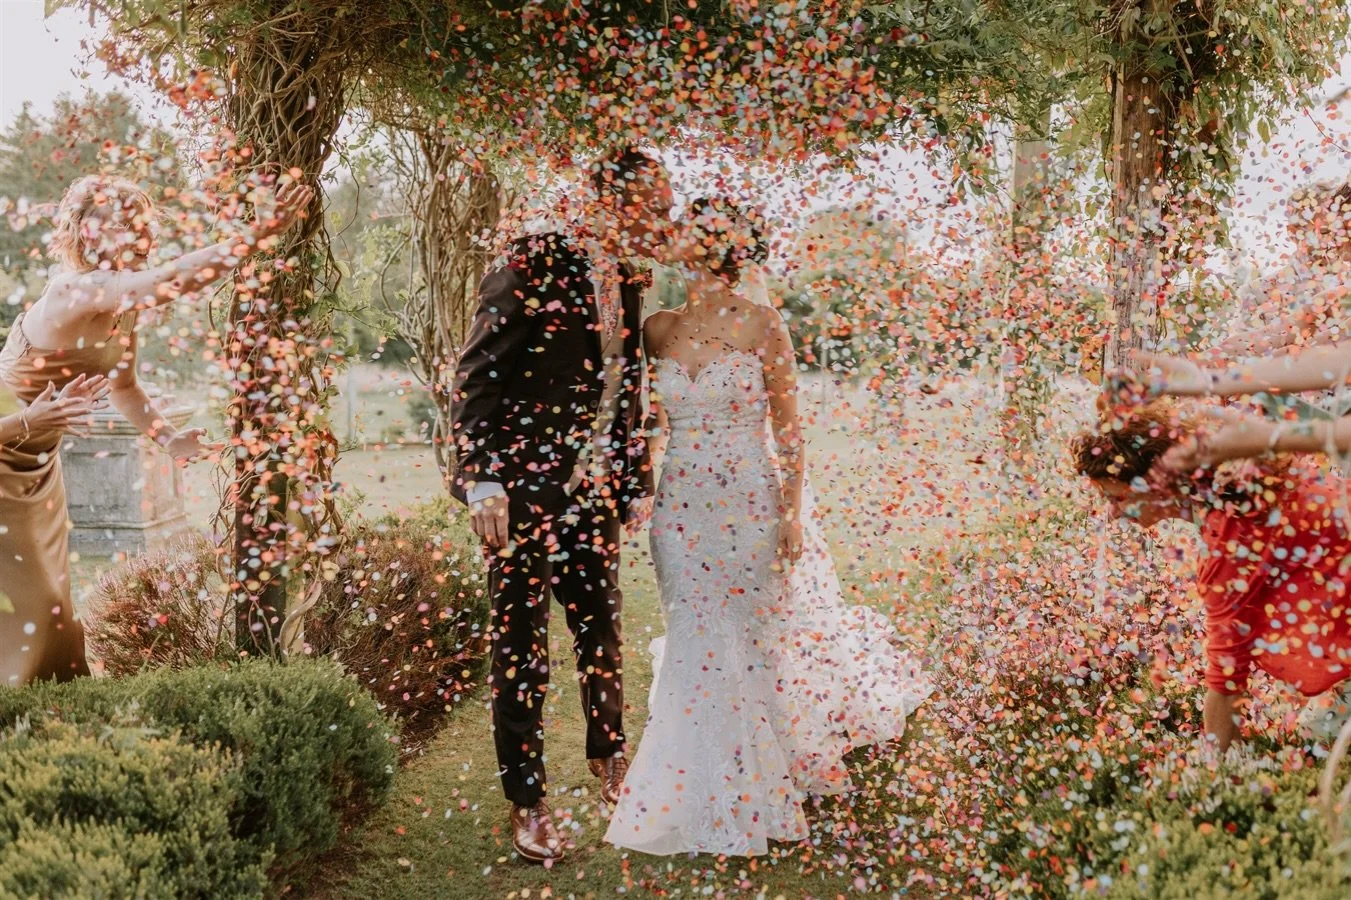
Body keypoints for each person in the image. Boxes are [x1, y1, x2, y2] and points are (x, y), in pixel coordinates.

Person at [605, 198, 931, 857]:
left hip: (746, 504)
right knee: (693, 635)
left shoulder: (762, 324)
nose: (686, 239)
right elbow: (639, 419)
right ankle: (688, 780)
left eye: (702, 230)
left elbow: (788, 432)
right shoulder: (656, 328)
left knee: (741, 637)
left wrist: (788, 513)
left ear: (728, 245)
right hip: (678, 509)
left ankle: (749, 781)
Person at [0, 173, 311, 686]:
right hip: (7, 446)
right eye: (117, 221)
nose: (132, 231)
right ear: (86, 232)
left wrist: (170, 438)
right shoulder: (76, 289)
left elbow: (124, 388)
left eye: (136, 221)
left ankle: (46, 720)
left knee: (52, 610)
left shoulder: (120, 309)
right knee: (28, 606)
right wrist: (255, 235)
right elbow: (169, 280)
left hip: (37, 467)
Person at [449, 146, 671, 864]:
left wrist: (632, 481)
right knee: (522, 651)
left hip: (595, 493)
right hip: (516, 497)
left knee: (600, 634)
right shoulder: (533, 259)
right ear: (609, 204)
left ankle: (609, 761)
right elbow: (475, 379)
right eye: (653, 206)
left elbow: (623, 386)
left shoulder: (632, 278)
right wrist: (482, 480)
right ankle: (528, 801)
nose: (662, 219)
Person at [1073, 400, 1351, 751]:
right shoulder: (1241, 481)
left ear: (1155, 483)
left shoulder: (1232, 535)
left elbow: (1225, 677)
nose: (1113, 514)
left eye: (1118, 497)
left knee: (1313, 750)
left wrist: (1215, 781)